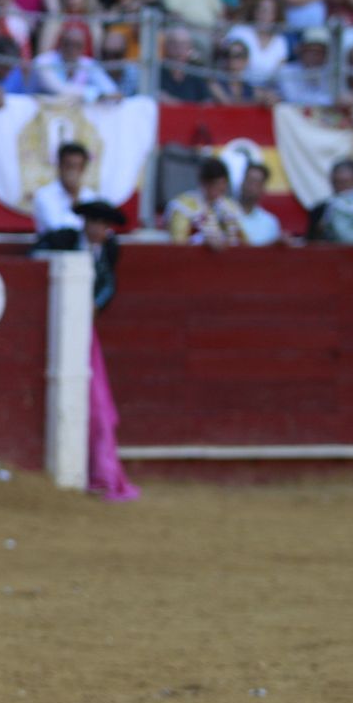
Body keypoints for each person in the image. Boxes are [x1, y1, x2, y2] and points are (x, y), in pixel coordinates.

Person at [34, 200, 140, 501]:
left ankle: (99, 470)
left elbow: (109, 284)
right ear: (84, 223)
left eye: (103, 225)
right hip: (52, 327)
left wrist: (93, 306)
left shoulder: (109, 250)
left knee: (97, 402)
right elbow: (34, 260)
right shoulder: (61, 239)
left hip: (82, 332)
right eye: (93, 222)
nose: (97, 229)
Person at [166, 156, 246, 248]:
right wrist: (202, 242)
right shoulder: (183, 206)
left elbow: (246, 244)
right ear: (203, 183)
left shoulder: (232, 207)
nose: (218, 190)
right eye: (214, 185)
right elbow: (178, 245)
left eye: (222, 185)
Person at [33, 24, 120, 102]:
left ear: (84, 48)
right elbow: (59, 89)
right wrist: (97, 94)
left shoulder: (88, 64)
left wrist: (107, 94)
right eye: (68, 44)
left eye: (77, 45)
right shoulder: (43, 62)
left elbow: (111, 90)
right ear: (60, 44)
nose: (71, 49)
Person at [224, 0, 291, 87]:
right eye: (260, 9)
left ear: (276, 15)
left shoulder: (280, 42)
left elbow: (278, 75)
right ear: (254, 11)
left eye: (268, 11)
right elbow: (227, 63)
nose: (263, 14)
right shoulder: (240, 31)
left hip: (266, 91)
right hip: (238, 87)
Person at [33, 141, 100, 233]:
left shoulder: (91, 197)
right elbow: (58, 227)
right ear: (59, 166)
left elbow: (99, 231)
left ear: (83, 169)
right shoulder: (44, 195)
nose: (72, 171)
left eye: (77, 166)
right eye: (68, 166)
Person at [274, 26, 338, 105]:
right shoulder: (286, 71)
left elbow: (336, 99)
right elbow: (293, 99)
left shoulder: (333, 74)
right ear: (301, 51)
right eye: (310, 51)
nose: (314, 56)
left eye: (320, 52)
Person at [158, 25, 210, 103]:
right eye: (174, 43)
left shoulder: (196, 74)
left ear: (190, 47)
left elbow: (207, 103)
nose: (179, 50)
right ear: (166, 46)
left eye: (184, 44)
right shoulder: (156, 73)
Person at [307, 159, 353, 239]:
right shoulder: (319, 210)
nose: (341, 187)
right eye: (336, 182)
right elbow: (311, 242)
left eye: (345, 182)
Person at [236, 161, 282, 246]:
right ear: (242, 182)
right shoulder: (224, 213)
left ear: (262, 188)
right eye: (249, 180)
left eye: (256, 182)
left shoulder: (269, 223)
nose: (251, 186)